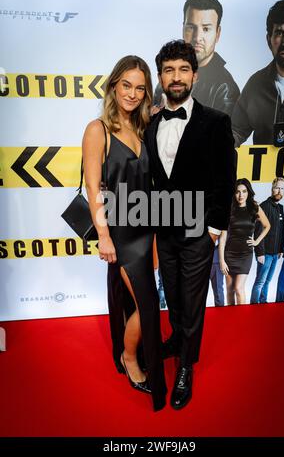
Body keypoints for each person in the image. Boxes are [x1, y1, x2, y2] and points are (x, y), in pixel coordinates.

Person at [144, 40, 236, 410]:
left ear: (195, 75)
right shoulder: (150, 124)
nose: (176, 77)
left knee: (193, 300)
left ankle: (186, 366)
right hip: (165, 230)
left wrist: (214, 230)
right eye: (168, 70)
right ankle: (177, 337)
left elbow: (225, 180)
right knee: (175, 293)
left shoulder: (216, 121)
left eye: (183, 69)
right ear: (161, 77)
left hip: (200, 232)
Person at [82, 56, 167, 411]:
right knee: (148, 306)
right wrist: (103, 236)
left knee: (144, 302)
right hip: (121, 232)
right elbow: (93, 188)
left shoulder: (145, 128)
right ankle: (130, 358)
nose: (132, 94)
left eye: (140, 87)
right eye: (126, 85)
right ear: (114, 85)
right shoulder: (97, 129)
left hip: (150, 229)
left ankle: (132, 351)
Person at [154, 0, 240, 116]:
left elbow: (223, 134)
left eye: (206, 29)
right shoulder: (168, 76)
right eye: (191, 27)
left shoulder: (225, 90)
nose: (197, 37)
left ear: (217, 33)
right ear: (183, 28)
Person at [232, 0, 284, 147]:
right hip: (262, 171)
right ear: (269, 39)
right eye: (280, 33)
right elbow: (235, 131)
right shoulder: (255, 84)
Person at [219, 179, 270, 305]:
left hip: (245, 255)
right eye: (237, 192)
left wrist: (257, 241)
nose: (241, 195)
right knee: (230, 290)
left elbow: (267, 225)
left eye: (244, 191)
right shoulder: (229, 210)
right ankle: (231, 318)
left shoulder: (254, 207)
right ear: (234, 194)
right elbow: (223, 237)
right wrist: (221, 260)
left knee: (239, 288)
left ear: (248, 192)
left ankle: (242, 318)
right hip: (229, 254)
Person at [250, 177, 284, 304]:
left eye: (282, 189)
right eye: (277, 188)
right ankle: (254, 306)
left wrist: (281, 249)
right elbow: (257, 231)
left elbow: (281, 230)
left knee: (268, 281)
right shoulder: (263, 206)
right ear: (272, 188)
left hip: (275, 253)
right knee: (260, 282)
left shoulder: (280, 208)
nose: (279, 191)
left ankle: (263, 304)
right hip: (265, 254)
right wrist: (259, 252)